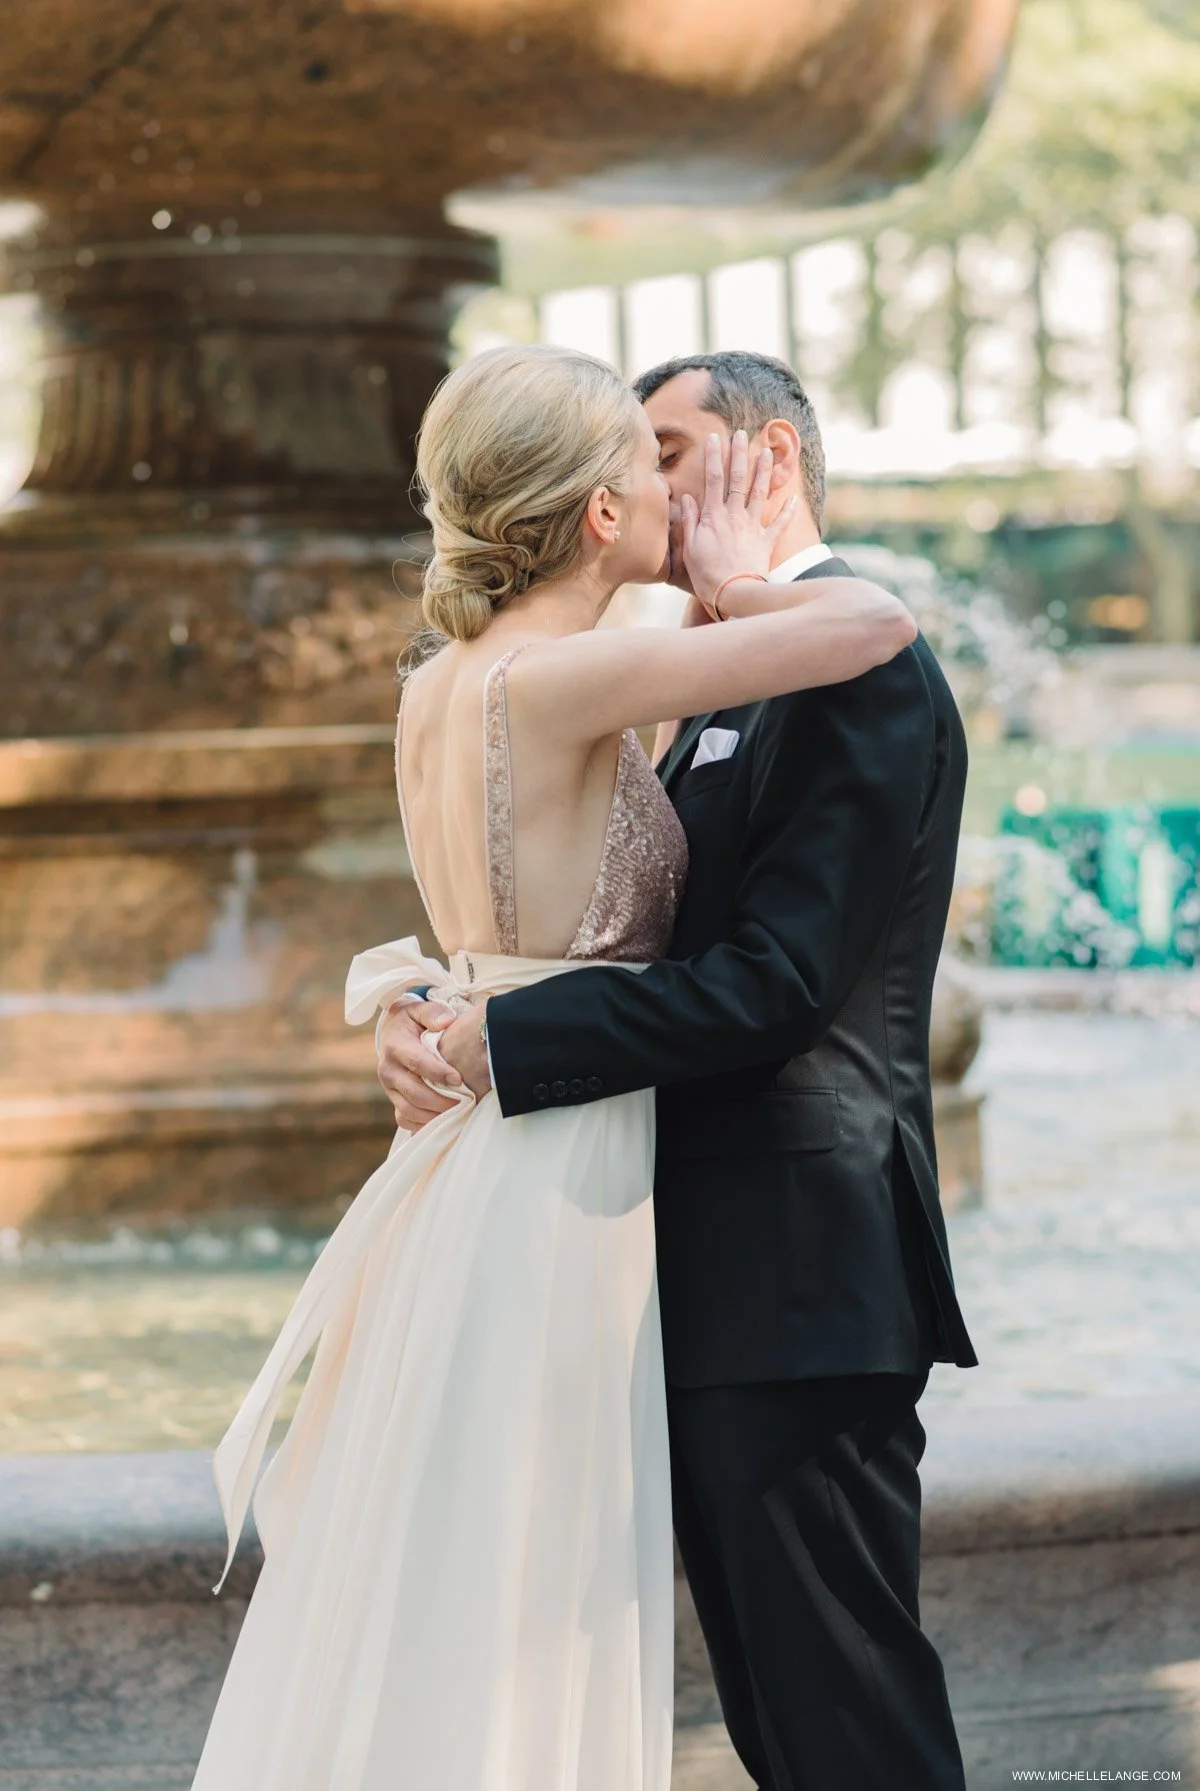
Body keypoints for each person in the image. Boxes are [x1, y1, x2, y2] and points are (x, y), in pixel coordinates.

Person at [192, 342, 916, 1791]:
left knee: (439, 1559)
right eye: (647, 468)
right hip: (554, 1173)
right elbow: (879, 624)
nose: (672, 488)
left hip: (467, 1152)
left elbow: (485, 935)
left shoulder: (444, 685)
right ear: (598, 510)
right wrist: (732, 580)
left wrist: (407, 1008)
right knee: (523, 1570)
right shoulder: (586, 673)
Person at [380, 349, 978, 1791]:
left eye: (667, 445)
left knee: (847, 1724)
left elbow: (775, 985)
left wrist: (499, 1042)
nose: (641, 482)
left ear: (764, 458)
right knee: (782, 1728)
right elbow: (592, 922)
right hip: (668, 1268)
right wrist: (424, 997)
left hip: (797, 1280)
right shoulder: (705, 669)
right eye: (627, 454)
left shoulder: (853, 667)